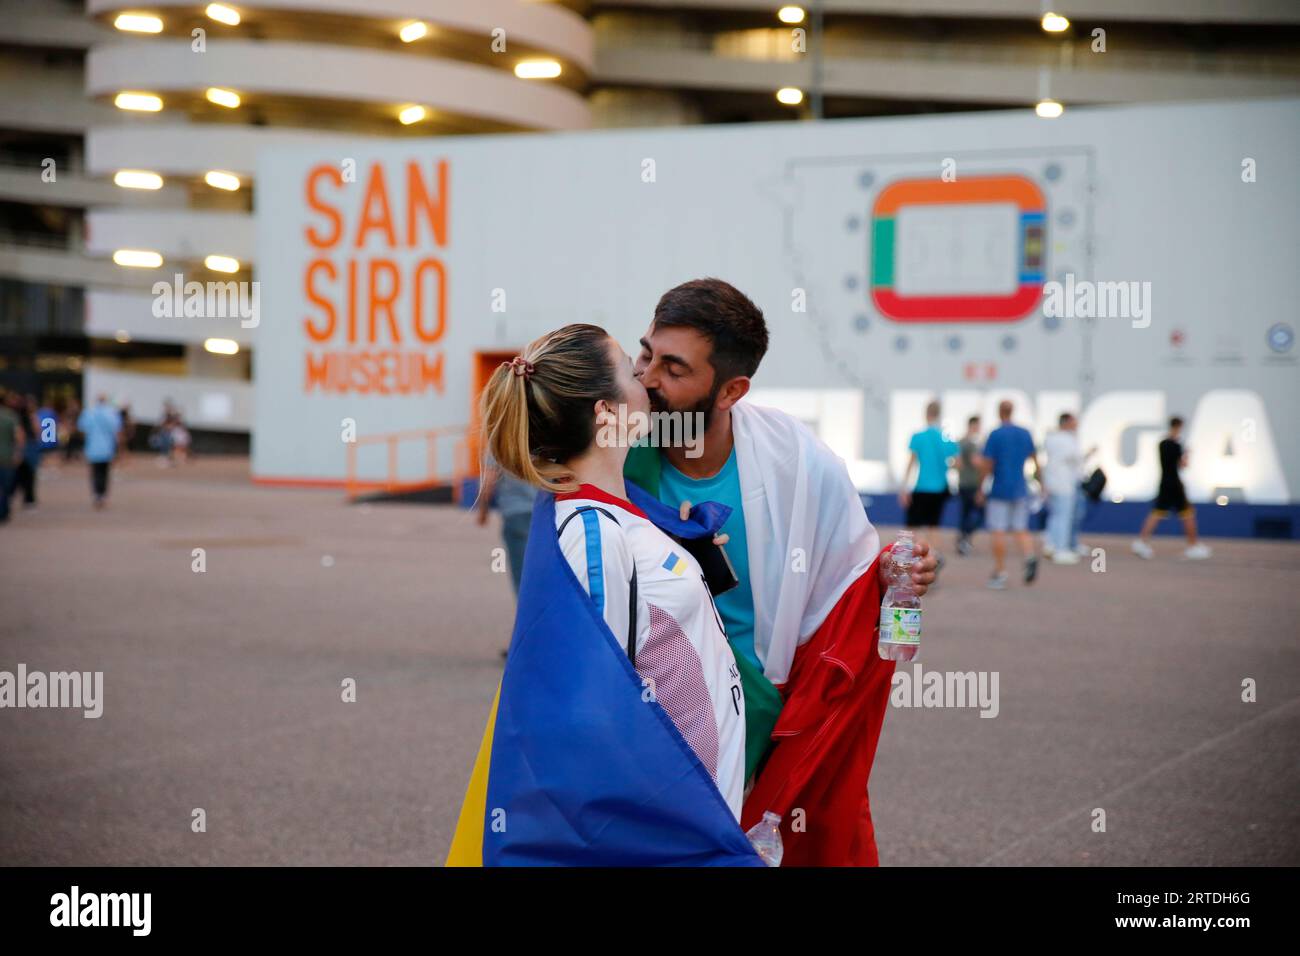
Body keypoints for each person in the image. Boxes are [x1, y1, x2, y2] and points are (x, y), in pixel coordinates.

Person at [625, 278, 937, 866]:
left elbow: (850, 584)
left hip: (754, 716)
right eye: (646, 353)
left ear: (730, 390)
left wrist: (907, 573)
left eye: (673, 367)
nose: (647, 378)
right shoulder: (615, 455)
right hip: (641, 711)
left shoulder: (799, 463)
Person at [449, 323, 757, 866]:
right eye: (629, 369)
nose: (644, 377)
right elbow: (590, 718)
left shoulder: (614, 514)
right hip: (664, 827)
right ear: (606, 414)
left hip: (694, 807)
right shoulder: (592, 534)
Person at [979, 399, 1041, 589]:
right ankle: (1029, 555)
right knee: (1020, 528)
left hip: (1000, 488)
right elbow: (1035, 459)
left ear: (999, 412)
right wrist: (1040, 480)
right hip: (1020, 488)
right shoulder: (1024, 433)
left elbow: (988, 463)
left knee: (998, 530)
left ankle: (1000, 571)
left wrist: (981, 487)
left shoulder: (995, 435)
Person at [1133, 416, 1211, 560]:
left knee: (1157, 513)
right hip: (1174, 484)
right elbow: (1183, 465)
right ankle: (1193, 546)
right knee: (1187, 514)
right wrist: (1187, 454)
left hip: (1164, 482)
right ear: (1179, 427)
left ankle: (1141, 542)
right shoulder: (1176, 445)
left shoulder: (1162, 443)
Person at [899, 400, 958, 562]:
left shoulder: (918, 437)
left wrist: (904, 487)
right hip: (940, 488)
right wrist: (944, 466)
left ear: (926, 414)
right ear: (939, 415)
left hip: (922, 486)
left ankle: (912, 559)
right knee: (934, 525)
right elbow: (957, 463)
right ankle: (934, 557)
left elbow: (911, 463)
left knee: (912, 526)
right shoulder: (945, 439)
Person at [1042, 413, 1085, 564]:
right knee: (1064, 517)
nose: (1076, 425)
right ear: (1067, 423)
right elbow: (1076, 458)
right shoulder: (1068, 440)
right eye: (1074, 422)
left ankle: (1050, 544)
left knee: (1055, 516)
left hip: (1052, 481)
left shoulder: (1051, 438)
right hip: (1064, 484)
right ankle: (1061, 549)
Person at [77, 394, 122, 509]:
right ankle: (102, 494)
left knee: (95, 472)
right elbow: (117, 429)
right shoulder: (111, 413)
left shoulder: (89, 412)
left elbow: (82, 428)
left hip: (92, 447)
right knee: (105, 472)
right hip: (107, 447)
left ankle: (97, 494)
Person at [955, 416, 984, 555]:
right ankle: (965, 538)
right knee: (980, 513)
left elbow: (957, 464)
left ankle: (963, 539)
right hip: (972, 483)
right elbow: (976, 462)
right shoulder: (972, 444)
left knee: (965, 513)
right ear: (973, 425)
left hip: (963, 483)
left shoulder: (960, 442)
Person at [0, 392, 20, 524]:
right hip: (7, 456)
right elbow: (20, 436)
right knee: (6, 487)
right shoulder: (10, 416)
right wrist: (18, 453)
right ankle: (4, 511)